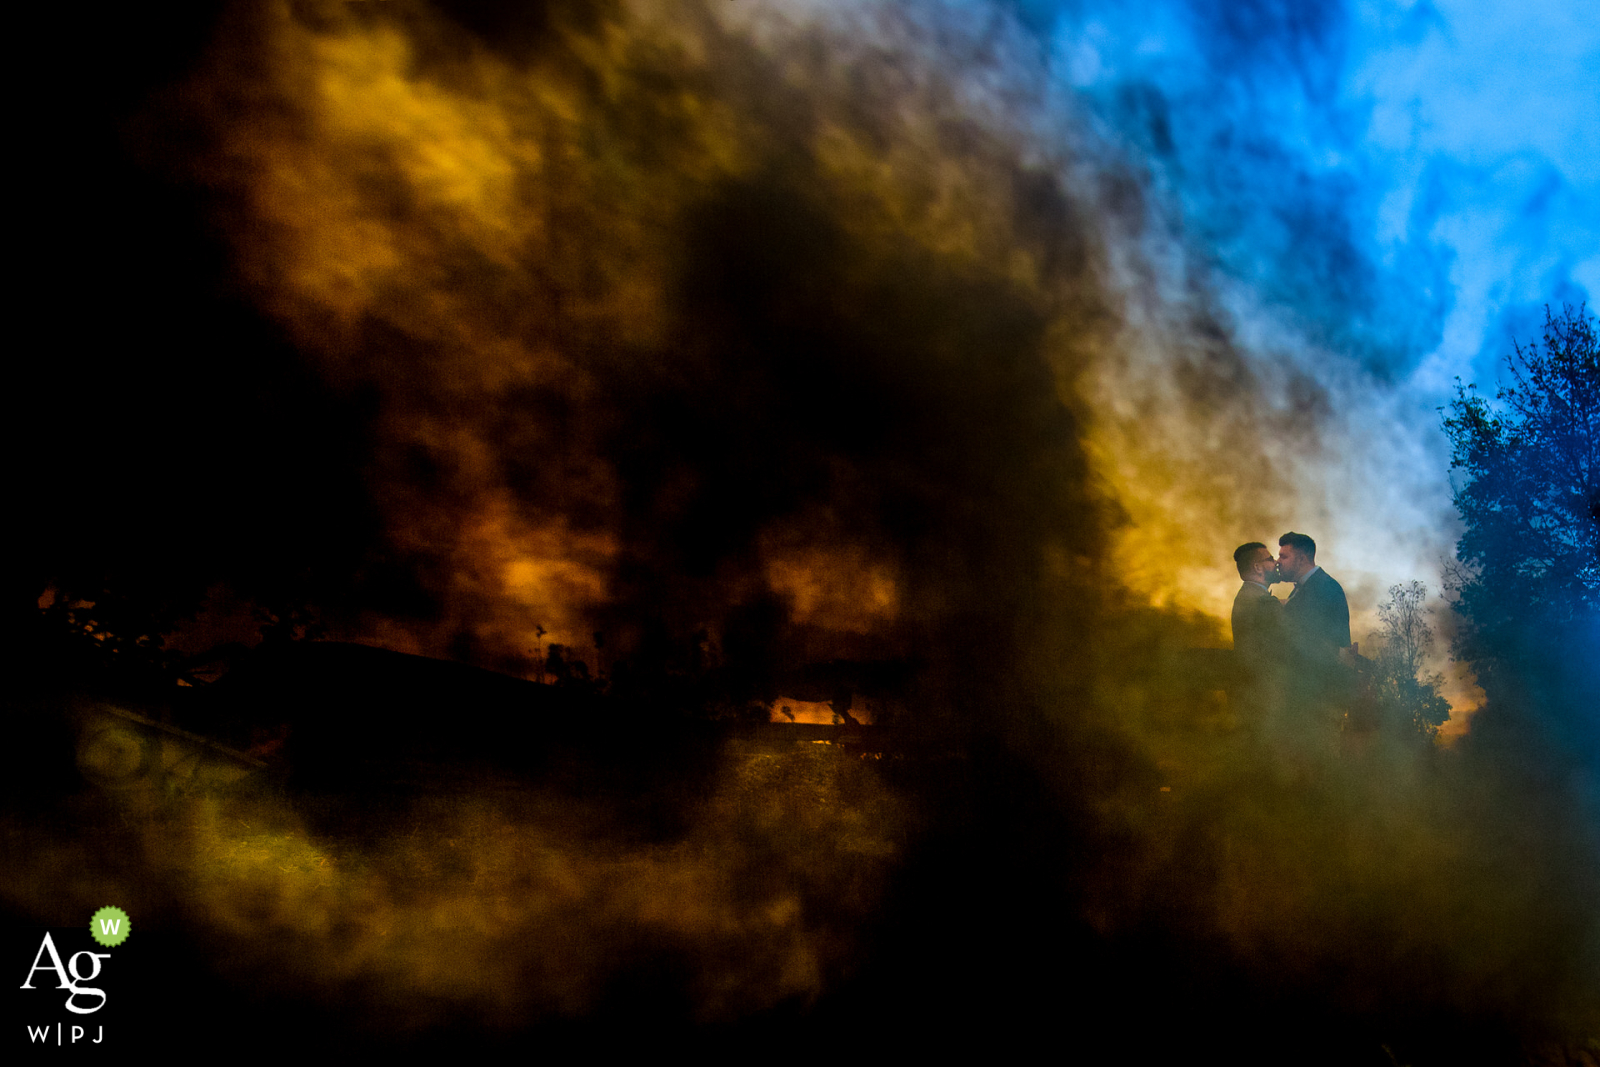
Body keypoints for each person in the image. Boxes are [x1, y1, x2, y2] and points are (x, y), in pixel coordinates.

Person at [1276, 531, 1353, 727]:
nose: (1278, 562)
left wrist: (1283, 608)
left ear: (1301, 558)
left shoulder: (1324, 587)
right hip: (1308, 699)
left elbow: (1313, 641)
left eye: (1284, 556)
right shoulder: (1306, 587)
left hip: (1316, 703)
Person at [1230, 542, 1282, 669]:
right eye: (1270, 559)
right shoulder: (1262, 601)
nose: (1276, 562)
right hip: (1263, 683)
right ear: (1257, 568)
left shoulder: (1247, 595)